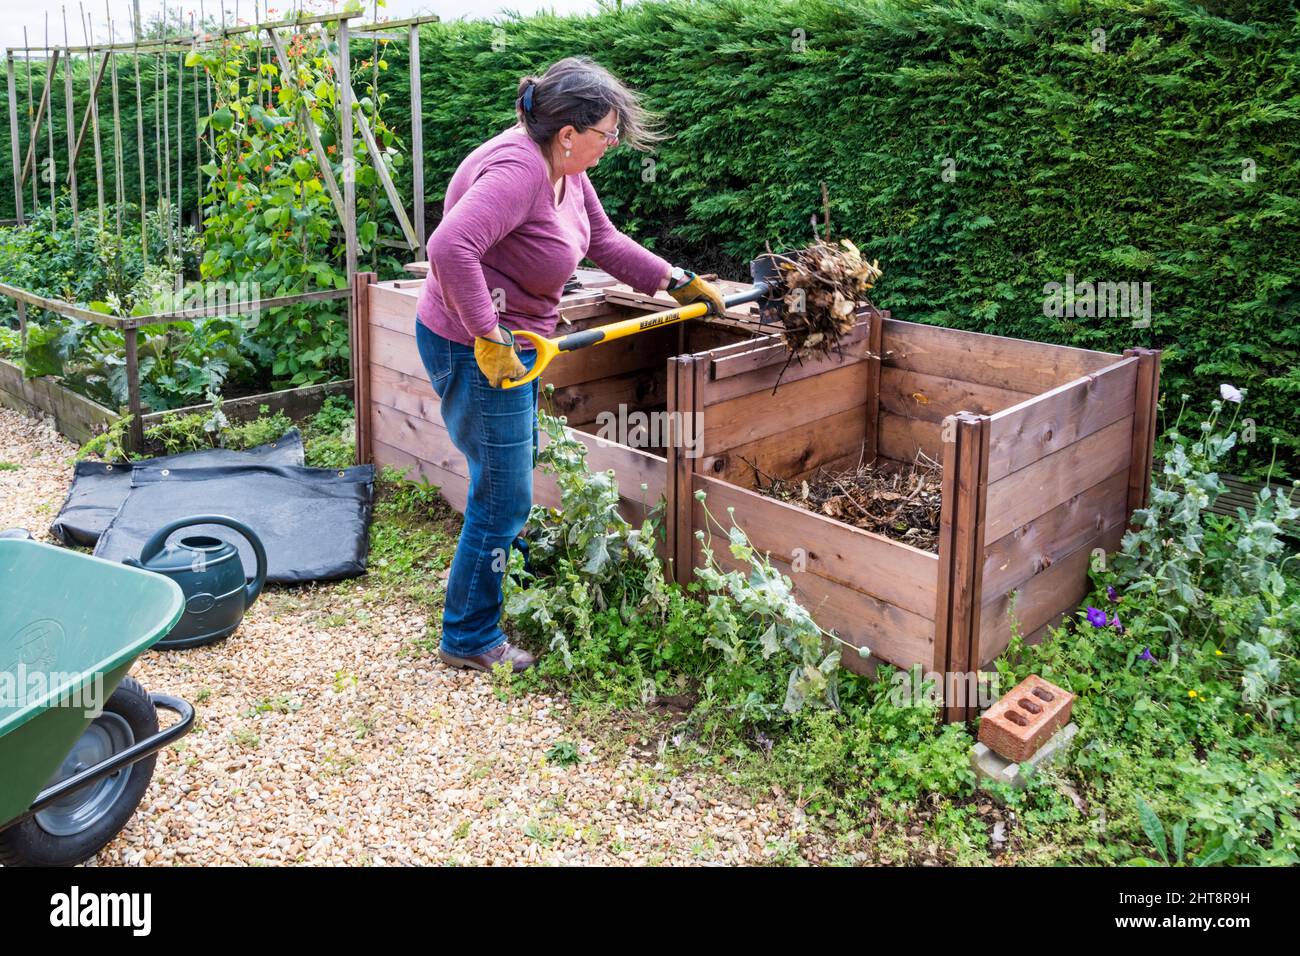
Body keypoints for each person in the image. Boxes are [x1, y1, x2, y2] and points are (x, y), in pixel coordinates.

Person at [415, 56, 725, 674]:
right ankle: (469, 635)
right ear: (568, 133)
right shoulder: (518, 172)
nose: (611, 145)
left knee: (511, 465)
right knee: (503, 493)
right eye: (607, 134)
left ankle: (504, 563)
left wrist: (674, 280)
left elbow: (604, 243)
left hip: (515, 348)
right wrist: (488, 332)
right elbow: (449, 246)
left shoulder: (566, 173)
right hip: (476, 349)